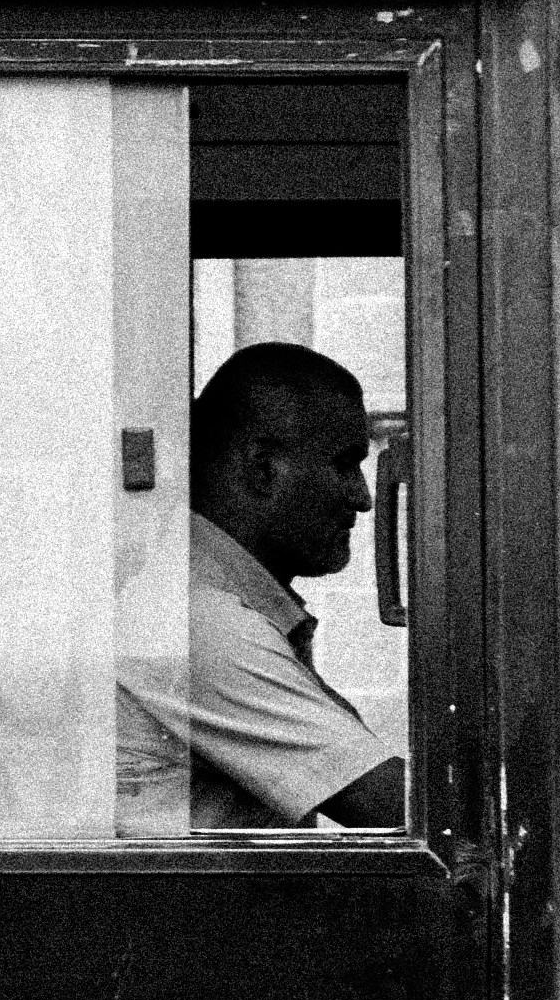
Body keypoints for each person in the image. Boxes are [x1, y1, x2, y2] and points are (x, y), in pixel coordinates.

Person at [115, 344, 407, 831]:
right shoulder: (203, 622)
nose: (364, 498)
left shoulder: (205, 600)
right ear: (263, 469)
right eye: (345, 465)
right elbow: (396, 810)